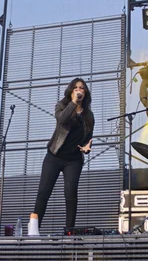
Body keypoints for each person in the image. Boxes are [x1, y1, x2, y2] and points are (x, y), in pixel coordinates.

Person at [29, 78, 94, 235]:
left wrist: (87, 147)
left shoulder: (89, 115)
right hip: (54, 155)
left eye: (82, 88)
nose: (79, 91)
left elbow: (88, 137)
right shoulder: (62, 106)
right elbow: (62, 119)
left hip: (73, 160)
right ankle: (33, 231)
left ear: (85, 93)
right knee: (44, 192)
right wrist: (73, 103)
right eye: (76, 88)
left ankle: (69, 231)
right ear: (71, 91)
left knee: (70, 193)